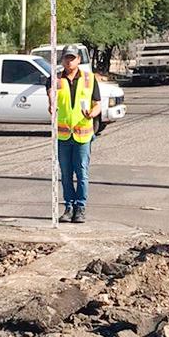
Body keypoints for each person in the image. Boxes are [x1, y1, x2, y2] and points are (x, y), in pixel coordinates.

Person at [52, 44, 101, 223]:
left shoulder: (89, 78)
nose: (69, 61)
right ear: (62, 60)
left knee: (81, 172)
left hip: (83, 134)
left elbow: (97, 104)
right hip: (64, 135)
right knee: (66, 174)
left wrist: (92, 113)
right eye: (66, 57)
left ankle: (80, 208)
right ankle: (69, 207)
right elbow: (51, 99)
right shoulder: (55, 79)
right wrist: (51, 102)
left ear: (79, 60)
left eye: (72, 58)